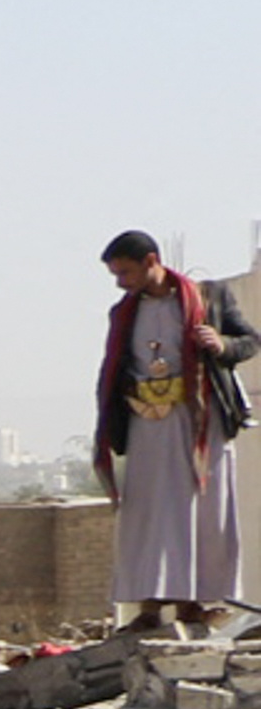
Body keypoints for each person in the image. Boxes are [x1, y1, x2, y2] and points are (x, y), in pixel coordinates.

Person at [94, 230, 254, 632]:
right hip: (148, 420)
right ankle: (149, 606)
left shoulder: (210, 298)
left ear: (151, 261)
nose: (121, 283)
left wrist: (220, 344)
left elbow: (249, 341)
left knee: (203, 510)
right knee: (150, 513)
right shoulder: (124, 312)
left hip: (201, 420)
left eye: (126, 272)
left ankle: (195, 605)